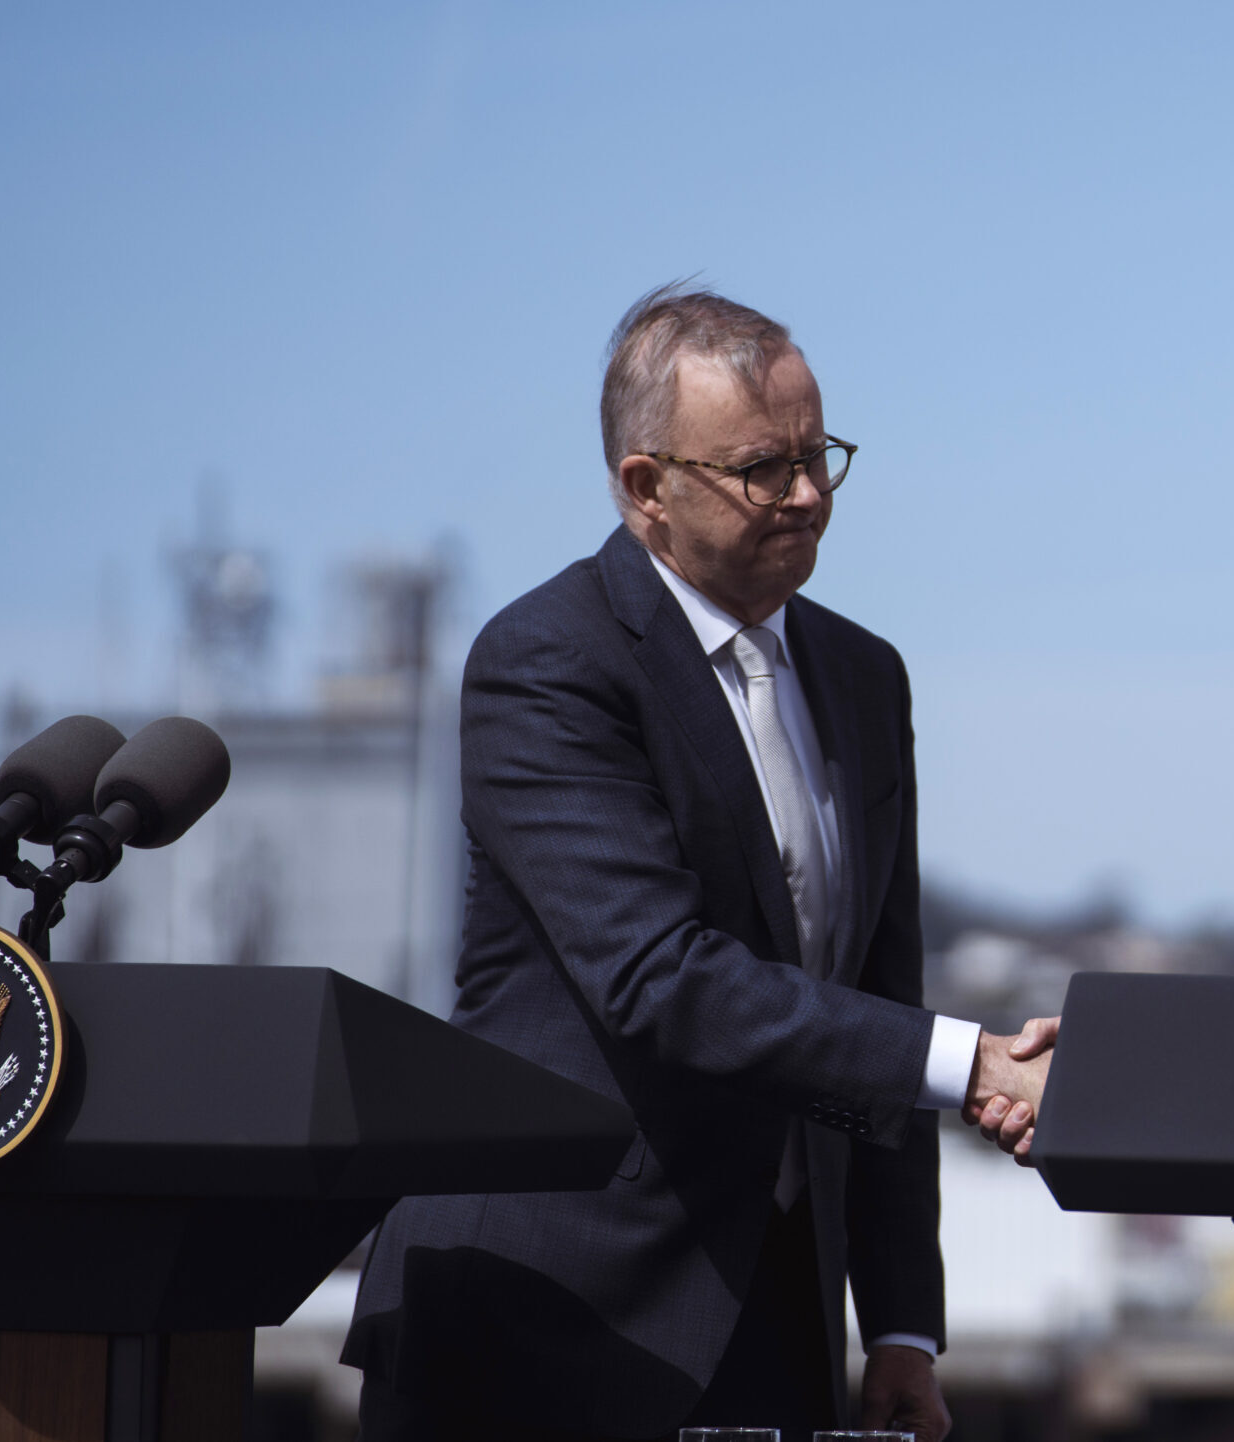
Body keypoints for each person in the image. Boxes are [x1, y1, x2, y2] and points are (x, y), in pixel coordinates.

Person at [342, 283, 1048, 1442]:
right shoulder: (546, 662)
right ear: (646, 487)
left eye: (820, 455)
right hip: (544, 1322)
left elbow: (871, 1003)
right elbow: (659, 977)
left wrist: (904, 1326)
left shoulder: (865, 677)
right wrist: (973, 1065)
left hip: (771, 1319)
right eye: (765, 467)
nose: (810, 494)